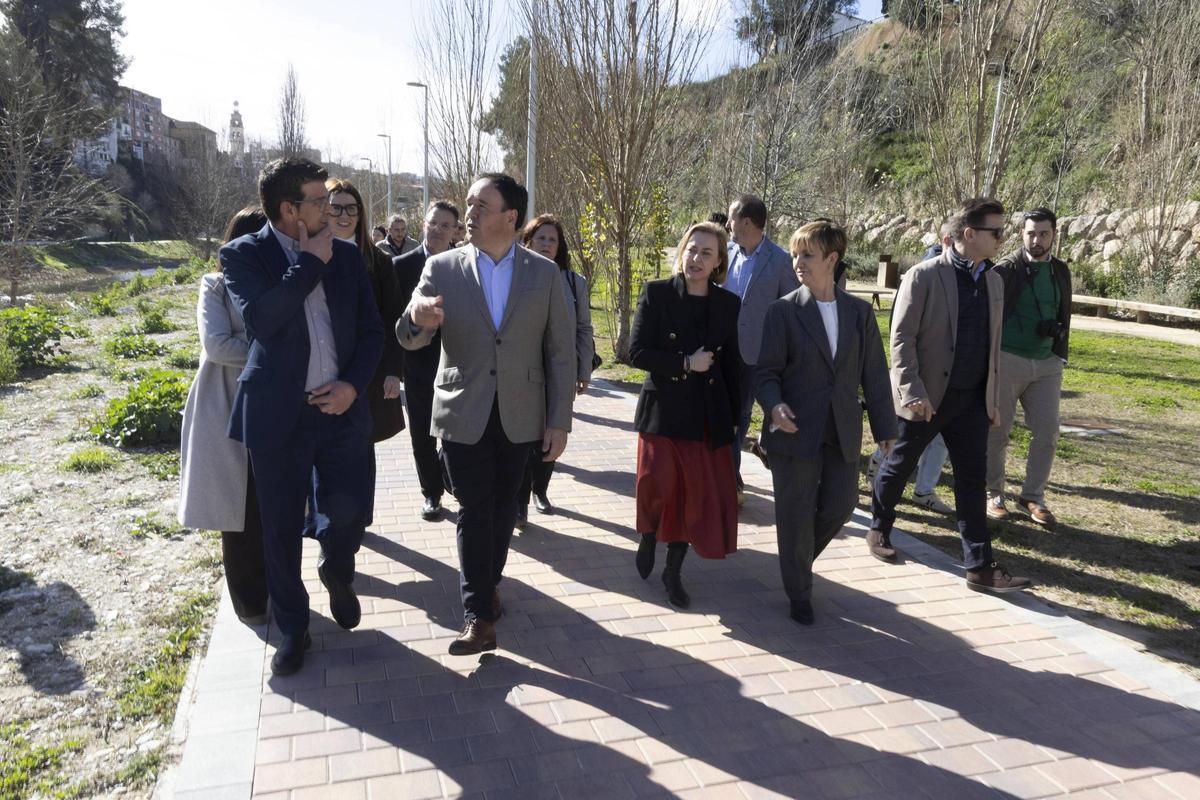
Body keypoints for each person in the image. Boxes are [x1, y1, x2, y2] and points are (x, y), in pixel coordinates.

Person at [399, 173, 575, 655]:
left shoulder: (544, 274)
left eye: (481, 205)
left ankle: (488, 581)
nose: (469, 213)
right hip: (462, 408)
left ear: (510, 217)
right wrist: (416, 320)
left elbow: (561, 352)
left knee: (501, 510)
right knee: (475, 509)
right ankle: (478, 614)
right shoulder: (442, 267)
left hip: (522, 411)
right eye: (468, 204)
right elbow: (407, 335)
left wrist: (559, 421)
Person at [222, 157, 384, 675]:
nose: (331, 209)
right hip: (277, 415)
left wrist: (352, 387)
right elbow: (265, 323)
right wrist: (309, 263)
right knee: (281, 527)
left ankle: (338, 570)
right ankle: (293, 628)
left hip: (340, 413)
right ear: (291, 210)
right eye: (319, 201)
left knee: (351, 512)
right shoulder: (243, 255)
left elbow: (372, 332)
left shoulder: (348, 256)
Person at [869, 197, 1031, 594]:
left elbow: (992, 347)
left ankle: (978, 566)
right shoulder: (924, 276)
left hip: (972, 401)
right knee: (899, 466)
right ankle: (879, 527)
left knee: (972, 482)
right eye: (996, 231)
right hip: (927, 398)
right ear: (970, 234)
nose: (1001, 238)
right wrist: (911, 392)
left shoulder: (993, 280)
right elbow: (901, 338)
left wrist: (992, 400)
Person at [756, 221, 895, 624]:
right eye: (796, 254)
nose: (797, 262)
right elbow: (765, 373)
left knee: (841, 504)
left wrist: (886, 428)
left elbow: (873, 372)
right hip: (794, 429)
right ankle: (799, 589)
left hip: (842, 428)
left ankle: (795, 560)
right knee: (796, 513)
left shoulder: (858, 313)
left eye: (807, 255)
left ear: (831, 259)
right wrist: (774, 407)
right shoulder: (783, 311)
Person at [630, 222, 741, 609]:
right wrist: (684, 363)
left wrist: (737, 418)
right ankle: (647, 534)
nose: (695, 258)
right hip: (662, 411)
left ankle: (673, 572)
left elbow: (733, 365)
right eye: (691, 249)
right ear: (682, 251)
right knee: (656, 486)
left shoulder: (728, 304)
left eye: (706, 253)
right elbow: (637, 352)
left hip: (704, 416)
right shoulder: (657, 293)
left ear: (718, 262)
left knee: (689, 499)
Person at [178, 206, 269, 626]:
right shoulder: (215, 285)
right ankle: (249, 601)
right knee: (238, 510)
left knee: (273, 505)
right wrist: (271, 349)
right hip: (225, 402)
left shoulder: (280, 284)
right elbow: (216, 344)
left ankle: (276, 589)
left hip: (272, 403)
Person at [986, 208, 1073, 529]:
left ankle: (1032, 496)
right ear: (1021, 234)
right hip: (1008, 359)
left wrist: (1058, 348)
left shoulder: (1060, 271)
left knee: (1048, 432)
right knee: (997, 432)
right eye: (1031, 233)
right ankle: (992, 493)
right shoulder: (1005, 269)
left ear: (1054, 235)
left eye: (1044, 234)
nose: (1037, 240)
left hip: (1048, 363)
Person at [515, 214, 595, 527]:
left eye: (552, 240)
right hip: (523, 371)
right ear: (528, 241)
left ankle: (541, 490)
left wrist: (583, 368)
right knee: (523, 439)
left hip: (558, 371)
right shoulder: (516, 277)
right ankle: (518, 503)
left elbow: (584, 328)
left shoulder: (574, 282)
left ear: (559, 247)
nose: (546, 244)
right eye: (540, 238)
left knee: (553, 432)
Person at [724, 195, 800, 503]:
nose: (727, 225)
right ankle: (730, 476)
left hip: (758, 354)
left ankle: (733, 477)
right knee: (727, 415)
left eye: (732, 219)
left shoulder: (780, 260)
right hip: (722, 350)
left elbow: (791, 309)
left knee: (742, 414)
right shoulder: (725, 253)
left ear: (746, 221)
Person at [393, 200, 462, 521]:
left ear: (455, 231)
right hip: (418, 366)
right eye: (433, 223)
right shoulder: (401, 265)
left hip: (458, 366)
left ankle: (450, 477)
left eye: (445, 225)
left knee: (454, 434)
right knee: (422, 433)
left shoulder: (462, 267)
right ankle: (431, 494)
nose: (437, 230)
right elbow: (393, 322)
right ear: (423, 224)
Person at [326, 179, 406, 445]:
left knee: (361, 449)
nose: (344, 216)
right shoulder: (306, 256)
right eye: (336, 208)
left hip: (368, 372)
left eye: (351, 208)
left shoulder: (379, 262)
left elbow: (392, 317)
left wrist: (394, 371)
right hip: (321, 372)